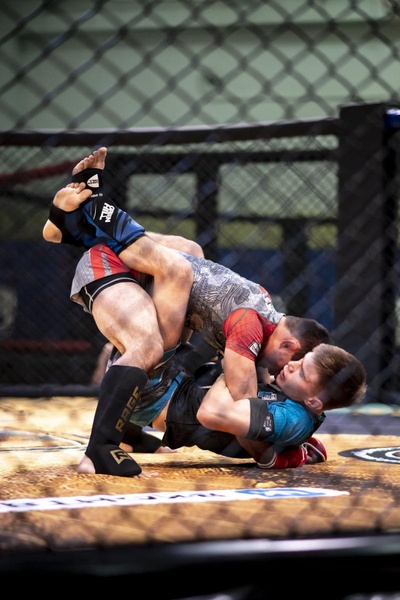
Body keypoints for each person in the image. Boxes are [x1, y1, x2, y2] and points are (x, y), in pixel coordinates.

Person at [42, 147, 333, 477]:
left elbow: (256, 377)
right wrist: (279, 450)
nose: (284, 370)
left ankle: (73, 228)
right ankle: (99, 450)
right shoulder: (249, 327)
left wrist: (295, 441)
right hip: (114, 267)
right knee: (158, 325)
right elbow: (240, 403)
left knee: (190, 252)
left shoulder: (262, 307)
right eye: (293, 363)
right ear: (290, 345)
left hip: (144, 280)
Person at [119, 341, 366, 468]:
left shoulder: (293, 419)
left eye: (302, 373)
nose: (292, 365)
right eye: (301, 360)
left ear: (313, 401)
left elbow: (211, 413)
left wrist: (233, 367)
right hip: (179, 384)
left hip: (161, 398)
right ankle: (132, 436)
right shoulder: (295, 401)